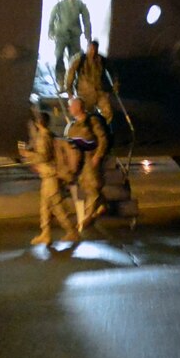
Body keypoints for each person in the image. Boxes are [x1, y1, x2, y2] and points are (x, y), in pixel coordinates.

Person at [20, 113, 78, 249]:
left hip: (50, 176)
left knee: (57, 207)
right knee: (45, 207)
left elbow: (44, 157)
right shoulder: (50, 135)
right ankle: (45, 233)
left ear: (38, 123)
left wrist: (27, 154)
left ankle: (71, 231)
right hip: (48, 176)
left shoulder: (43, 137)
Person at [64, 95, 111, 231]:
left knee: (92, 187)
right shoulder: (73, 125)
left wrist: (98, 155)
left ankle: (88, 217)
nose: (69, 108)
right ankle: (103, 205)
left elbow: (103, 139)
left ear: (78, 107)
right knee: (85, 185)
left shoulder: (92, 121)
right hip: (80, 161)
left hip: (91, 158)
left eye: (71, 106)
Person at [47, 0, 91, 89]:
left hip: (74, 36)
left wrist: (88, 36)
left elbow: (86, 20)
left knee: (75, 60)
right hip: (61, 35)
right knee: (59, 57)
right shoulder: (60, 5)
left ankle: (74, 82)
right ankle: (60, 81)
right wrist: (50, 31)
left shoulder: (80, 4)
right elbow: (52, 18)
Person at [63, 38, 116, 117]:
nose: (93, 52)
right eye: (91, 49)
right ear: (87, 48)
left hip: (99, 92)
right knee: (85, 115)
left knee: (107, 111)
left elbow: (113, 71)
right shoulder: (80, 59)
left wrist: (115, 85)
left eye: (95, 49)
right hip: (84, 94)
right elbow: (70, 74)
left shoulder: (101, 60)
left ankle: (101, 124)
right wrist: (69, 91)